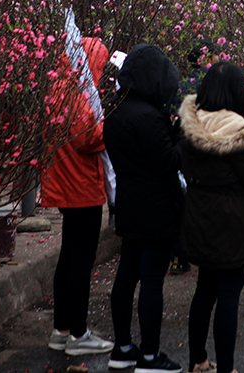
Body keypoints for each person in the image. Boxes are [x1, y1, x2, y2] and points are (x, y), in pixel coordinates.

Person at [179, 61, 244, 373]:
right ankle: (226, 367)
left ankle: (197, 360)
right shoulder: (240, 132)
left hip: (198, 217)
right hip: (235, 223)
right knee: (228, 298)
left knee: (203, 293)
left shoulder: (188, 124)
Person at [103, 44, 184, 373]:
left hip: (129, 205)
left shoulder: (116, 111)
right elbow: (168, 161)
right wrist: (181, 136)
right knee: (151, 280)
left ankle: (123, 348)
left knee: (126, 275)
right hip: (157, 209)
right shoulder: (150, 117)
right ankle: (150, 355)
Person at [44, 37, 115, 356]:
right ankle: (79, 334)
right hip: (82, 187)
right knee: (80, 263)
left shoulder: (57, 87)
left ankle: (62, 329)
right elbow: (90, 138)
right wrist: (110, 127)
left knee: (67, 257)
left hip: (64, 183)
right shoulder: (78, 95)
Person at [170, 39, 217, 276]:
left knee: (182, 205)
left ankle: (179, 257)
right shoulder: (214, 86)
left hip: (183, 152)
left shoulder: (178, 87)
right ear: (208, 58)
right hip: (208, 152)